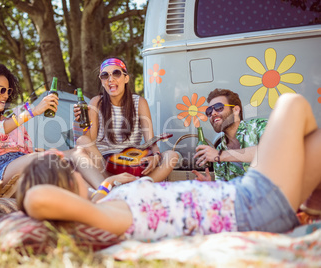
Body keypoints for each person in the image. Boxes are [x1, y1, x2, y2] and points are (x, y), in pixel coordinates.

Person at [17, 93, 321, 241]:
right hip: (248, 207)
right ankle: (310, 201)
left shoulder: (104, 201)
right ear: (66, 190)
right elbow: (36, 198)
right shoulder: (101, 215)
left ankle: (312, 202)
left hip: (247, 201)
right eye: (69, 174)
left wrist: (108, 184)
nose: (76, 172)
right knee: (292, 104)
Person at [73, 57, 179, 185]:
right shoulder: (96, 102)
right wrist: (82, 123)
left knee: (172, 156)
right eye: (105, 75)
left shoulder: (139, 102)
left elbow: (151, 141)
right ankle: (112, 183)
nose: (111, 79)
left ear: (126, 78)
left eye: (116, 73)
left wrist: (156, 156)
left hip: (133, 162)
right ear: (102, 81)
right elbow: (90, 140)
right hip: (106, 164)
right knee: (82, 141)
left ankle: (134, 185)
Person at [192, 88, 268, 181]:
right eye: (209, 111)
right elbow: (225, 191)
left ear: (236, 110)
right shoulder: (219, 151)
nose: (213, 113)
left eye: (219, 107)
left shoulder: (258, 126)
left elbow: (272, 150)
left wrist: (221, 155)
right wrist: (211, 186)